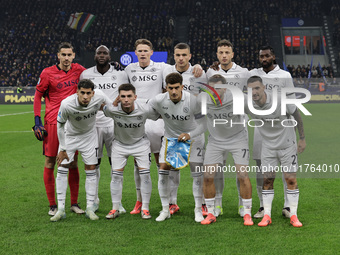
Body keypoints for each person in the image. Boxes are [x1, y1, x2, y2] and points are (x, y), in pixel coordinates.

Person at [124, 39, 203, 214]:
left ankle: (172, 202)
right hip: (139, 121)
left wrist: (198, 65)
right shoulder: (129, 69)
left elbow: (184, 67)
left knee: (169, 163)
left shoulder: (162, 67)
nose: (143, 53)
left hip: (160, 122)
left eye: (146, 50)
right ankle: (140, 201)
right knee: (139, 163)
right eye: (140, 51)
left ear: (152, 52)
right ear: (135, 52)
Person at [33, 42, 86, 216]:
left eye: (69, 55)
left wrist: (114, 66)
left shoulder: (79, 70)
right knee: (50, 161)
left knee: (72, 162)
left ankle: (74, 203)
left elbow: (95, 76)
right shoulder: (47, 73)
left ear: (73, 55)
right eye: (63, 54)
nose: (66, 58)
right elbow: (38, 95)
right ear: (58, 56)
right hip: (52, 122)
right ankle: (52, 204)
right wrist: (37, 120)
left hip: (72, 123)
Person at [246, 76, 305, 227]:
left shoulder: (280, 99)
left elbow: (297, 115)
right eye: (251, 89)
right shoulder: (248, 104)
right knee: (267, 180)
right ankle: (267, 215)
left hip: (287, 146)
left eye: (257, 88)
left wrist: (302, 138)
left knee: (291, 180)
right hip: (268, 147)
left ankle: (294, 215)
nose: (254, 92)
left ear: (264, 87)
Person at [50, 79, 111, 221]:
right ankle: (60, 209)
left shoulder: (100, 96)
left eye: (88, 93)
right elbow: (60, 126)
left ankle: (90, 208)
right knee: (62, 169)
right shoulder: (66, 104)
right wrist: (63, 148)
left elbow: (111, 105)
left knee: (91, 169)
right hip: (69, 137)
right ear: (77, 92)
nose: (85, 96)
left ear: (93, 93)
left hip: (89, 137)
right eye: (82, 93)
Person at [149, 72, 205, 222]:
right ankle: (165, 209)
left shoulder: (193, 101)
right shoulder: (159, 100)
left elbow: (204, 124)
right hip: (171, 139)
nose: (173, 91)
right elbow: (147, 111)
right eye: (170, 88)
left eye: (176, 88)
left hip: (194, 139)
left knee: (197, 173)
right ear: (165, 88)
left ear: (182, 86)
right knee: (163, 169)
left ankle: (198, 210)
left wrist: (190, 134)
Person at [80, 45, 129, 214]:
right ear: (94, 56)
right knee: (94, 164)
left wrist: (114, 106)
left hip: (113, 124)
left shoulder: (121, 74)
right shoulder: (86, 74)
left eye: (105, 53)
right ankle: (93, 200)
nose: (102, 55)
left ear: (110, 56)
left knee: (116, 164)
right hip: (92, 125)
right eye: (99, 53)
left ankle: (118, 203)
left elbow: (125, 94)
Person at [199, 74, 253, 226]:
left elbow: (257, 110)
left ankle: (247, 213)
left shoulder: (239, 97)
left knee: (242, 174)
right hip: (215, 141)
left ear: (224, 88)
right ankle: (210, 213)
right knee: (208, 176)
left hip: (238, 139)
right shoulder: (202, 99)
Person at [249, 45, 296, 219]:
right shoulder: (254, 74)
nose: (264, 59)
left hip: (282, 127)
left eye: (267, 56)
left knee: (286, 169)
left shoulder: (285, 76)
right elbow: (233, 74)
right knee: (261, 168)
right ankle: (262, 206)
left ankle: (288, 206)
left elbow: (291, 103)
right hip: (261, 128)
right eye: (261, 56)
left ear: (273, 56)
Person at [102, 83, 159, 220]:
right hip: (119, 145)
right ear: (119, 97)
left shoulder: (145, 109)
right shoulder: (112, 109)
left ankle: (145, 208)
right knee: (116, 176)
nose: (126, 99)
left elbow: (160, 115)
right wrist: (113, 103)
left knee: (145, 175)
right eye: (123, 96)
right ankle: (115, 208)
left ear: (135, 97)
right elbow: (104, 109)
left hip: (140, 144)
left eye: (129, 96)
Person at [206, 39, 250, 217]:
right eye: (221, 53)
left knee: (241, 171)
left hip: (238, 126)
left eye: (227, 53)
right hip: (217, 127)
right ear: (217, 55)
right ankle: (217, 203)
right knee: (217, 170)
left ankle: (242, 204)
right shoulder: (211, 71)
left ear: (232, 54)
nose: (224, 56)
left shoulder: (244, 72)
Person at [162, 42, 208, 215]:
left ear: (190, 56)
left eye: (184, 55)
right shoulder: (165, 71)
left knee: (197, 167)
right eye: (177, 55)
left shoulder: (199, 74)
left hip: (194, 127)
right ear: (173, 56)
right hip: (174, 127)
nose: (181, 58)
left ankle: (202, 203)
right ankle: (173, 202)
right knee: (174, 167)